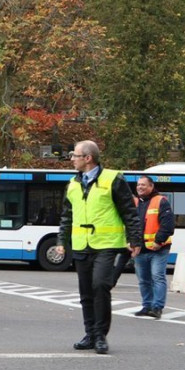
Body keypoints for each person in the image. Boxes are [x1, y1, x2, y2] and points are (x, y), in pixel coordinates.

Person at [53, 140, 142, 355]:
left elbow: (129, 211)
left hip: (106, 244)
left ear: (88, 158)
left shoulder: (113, 179)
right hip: (82, 245)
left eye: (75, 155)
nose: (72, 159)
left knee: (100, 285)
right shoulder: (73, 184)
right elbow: (67, 216)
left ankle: (101, 335)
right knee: (85, 292)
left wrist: (135, 239)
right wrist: (61, 242)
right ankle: (90, 334)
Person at [132, 175, 173, 319]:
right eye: (138, 185)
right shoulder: (135, 202)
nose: (140, 187)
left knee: (157, 277)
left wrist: (158, 241)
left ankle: (157, 308)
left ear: (151, 186)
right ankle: (146, 306)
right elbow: (129, 224)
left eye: (143, 185)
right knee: (143, 280)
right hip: (139, 249)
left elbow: (168, 225)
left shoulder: (161, 201)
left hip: (158, 249)